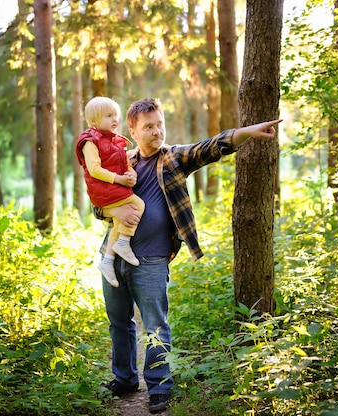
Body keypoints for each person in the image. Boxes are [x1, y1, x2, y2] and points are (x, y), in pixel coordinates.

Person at [94, 97, 282, 413]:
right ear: (132, 130)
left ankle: (158, 387)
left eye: (159, 124)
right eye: (148, 127)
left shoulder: (174, 158)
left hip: (152, 260)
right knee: (119, 323)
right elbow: (97, 204)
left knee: (155, 326)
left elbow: (211, 146)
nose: (156, 132)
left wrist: (248, 131)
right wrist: (114, 210)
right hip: (113, 255)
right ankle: (124, 379)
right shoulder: (121, 162)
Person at [75, 96, 146, 288]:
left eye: (116, 115)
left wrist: (130, 174)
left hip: (113, 187)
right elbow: (94, 170)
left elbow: (125, 164)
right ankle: (123, 241)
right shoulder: (91, 142)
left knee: (120, 219)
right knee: (138, 204)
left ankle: (107, 261)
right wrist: (120, 180)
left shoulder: (115, 141)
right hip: (103, 190)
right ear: (94, 122)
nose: (115, 119)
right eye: (109, 116)